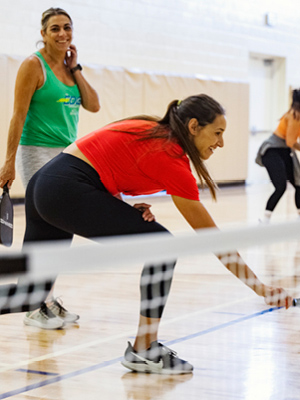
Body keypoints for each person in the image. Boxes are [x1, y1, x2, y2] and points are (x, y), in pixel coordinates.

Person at [19, 94, 292, 374]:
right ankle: (144, 348)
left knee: (29, 296)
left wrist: (115, 206)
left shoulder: (149, 127)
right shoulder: (172, 161)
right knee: (163, 248)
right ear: (194, 126)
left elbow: (97, 156)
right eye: (218, 133)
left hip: (47, 182)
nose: (221, 143)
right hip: (65, 190)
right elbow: (214, 240)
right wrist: (260, 288)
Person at [0, 7, 100, 329]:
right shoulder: (33, 65)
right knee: (44, 227)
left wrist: (77, 68)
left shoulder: (70, 69)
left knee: (62, 228)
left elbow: (94, 104)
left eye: (67, 28)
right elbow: (17, 116)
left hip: (68, 154)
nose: (62, 34)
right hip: (36, 153)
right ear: (43, 33)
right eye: (54, 28)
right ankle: (32, 303)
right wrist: (9, 162)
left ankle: (44, 297)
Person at [256, 89, 300, 223]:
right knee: (280, 186)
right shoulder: (294, 115)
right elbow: (291, 142)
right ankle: (265, 220)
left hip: (284, 151)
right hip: (272, 150)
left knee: (299, 182)